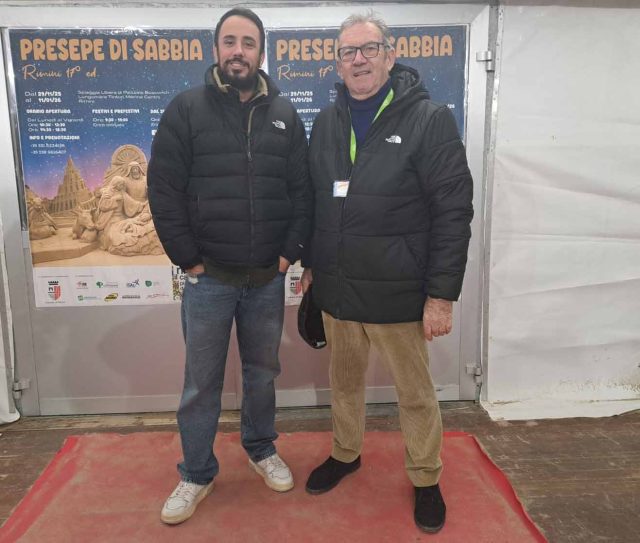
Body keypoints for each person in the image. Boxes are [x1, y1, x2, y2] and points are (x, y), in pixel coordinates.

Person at [301, 12, 474, 534]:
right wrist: (312, 264)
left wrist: (440, 295)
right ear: (338, 63)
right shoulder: (326, 122)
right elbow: (315, 200)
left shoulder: (429, 119)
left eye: (368, 49)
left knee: (414, 394)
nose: (358, 59)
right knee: (344, 384)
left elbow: (453, 211)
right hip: (338, 288)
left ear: (390, 56)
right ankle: (345, 452)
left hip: (399, 291)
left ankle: (425, 476)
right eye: (347, 52)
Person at [148, 8, 311, 525]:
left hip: (266, 278)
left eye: (248, 42)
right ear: (216, 49)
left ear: (262, 52)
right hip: (209, 279)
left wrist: (288, 253)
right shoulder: (186, 109)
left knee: (262, 374)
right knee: (202, 382)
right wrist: (188, 259)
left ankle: (261, 448)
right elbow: (163, 189)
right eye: (230, 41)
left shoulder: (284, 113)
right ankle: (196, 472)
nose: (238, 51)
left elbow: (302, 190)